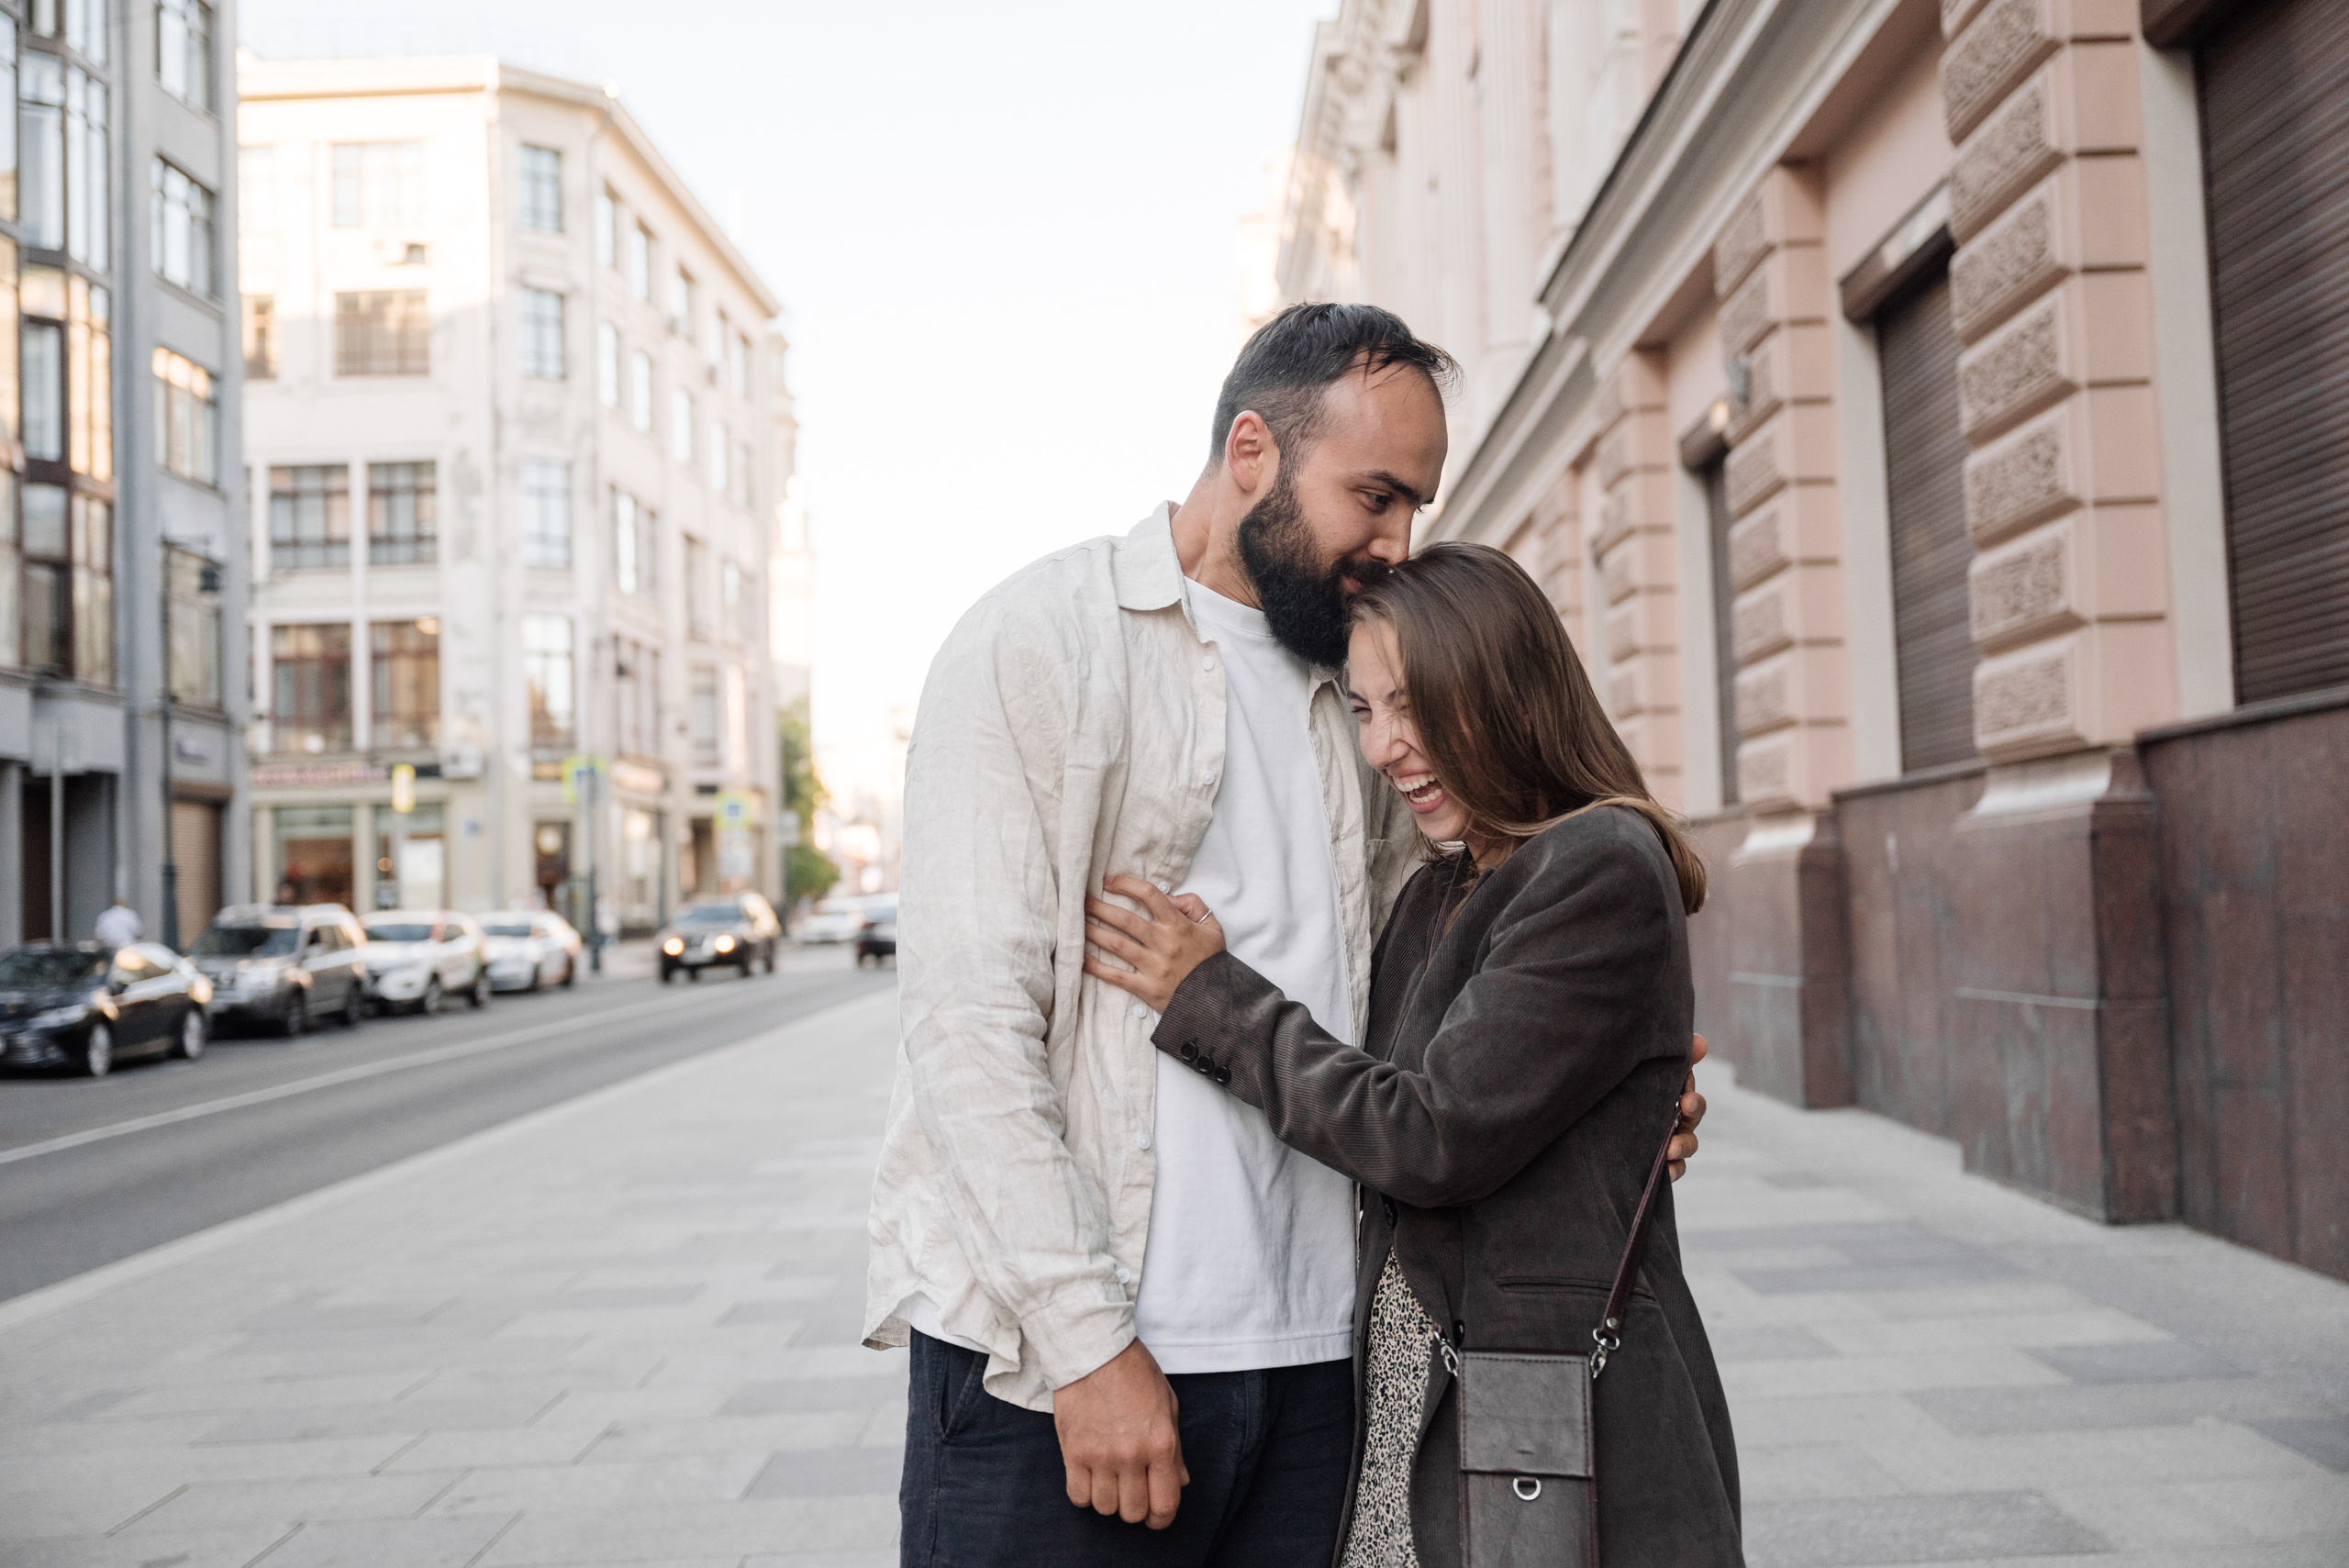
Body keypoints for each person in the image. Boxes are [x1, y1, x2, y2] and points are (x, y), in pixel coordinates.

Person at [865, 304, 1709, 1568]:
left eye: (1417, 505)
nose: (1396, 540)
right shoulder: (1038, 642)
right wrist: (1087, 1343)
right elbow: (966, 1030)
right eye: (1373, 495)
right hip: (1066, 1375)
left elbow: (1444, 1020)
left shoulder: (1366, 695)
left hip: (1327, 1371)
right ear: (1252, 452)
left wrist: (1611, 1107)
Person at [1084, 542, 1742, 1567]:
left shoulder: (1600, 863)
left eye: (1414, 704)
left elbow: (1424, 1132)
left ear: (1505, 687)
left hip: (1543, 1419)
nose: (1385, 745)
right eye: (1364, 709)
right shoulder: (1445, 887)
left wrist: (1206, 994)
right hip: (1418, 1403)